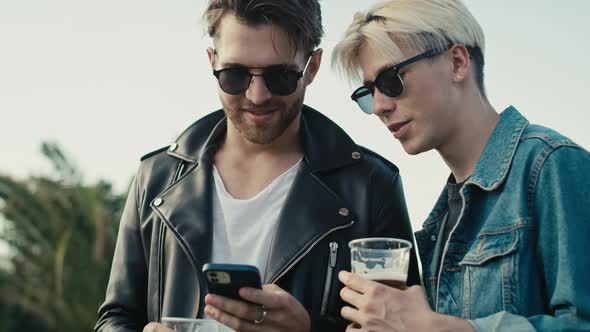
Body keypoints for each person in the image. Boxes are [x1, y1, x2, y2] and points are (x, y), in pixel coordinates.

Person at [95, 1, 420, 331]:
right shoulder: (156, 179)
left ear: (312, 67)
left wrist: (308, 329)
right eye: (235, 75)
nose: (257, 95)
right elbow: (116, 317)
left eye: (280, 77)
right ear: (212, 61)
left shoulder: (370, 185)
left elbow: (403, 326)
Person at [331, 0, 590, 331]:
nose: (380, 105)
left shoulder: (551, 166)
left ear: (456, 62)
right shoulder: (441, 223)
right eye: (368, 92)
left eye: (391, 79)